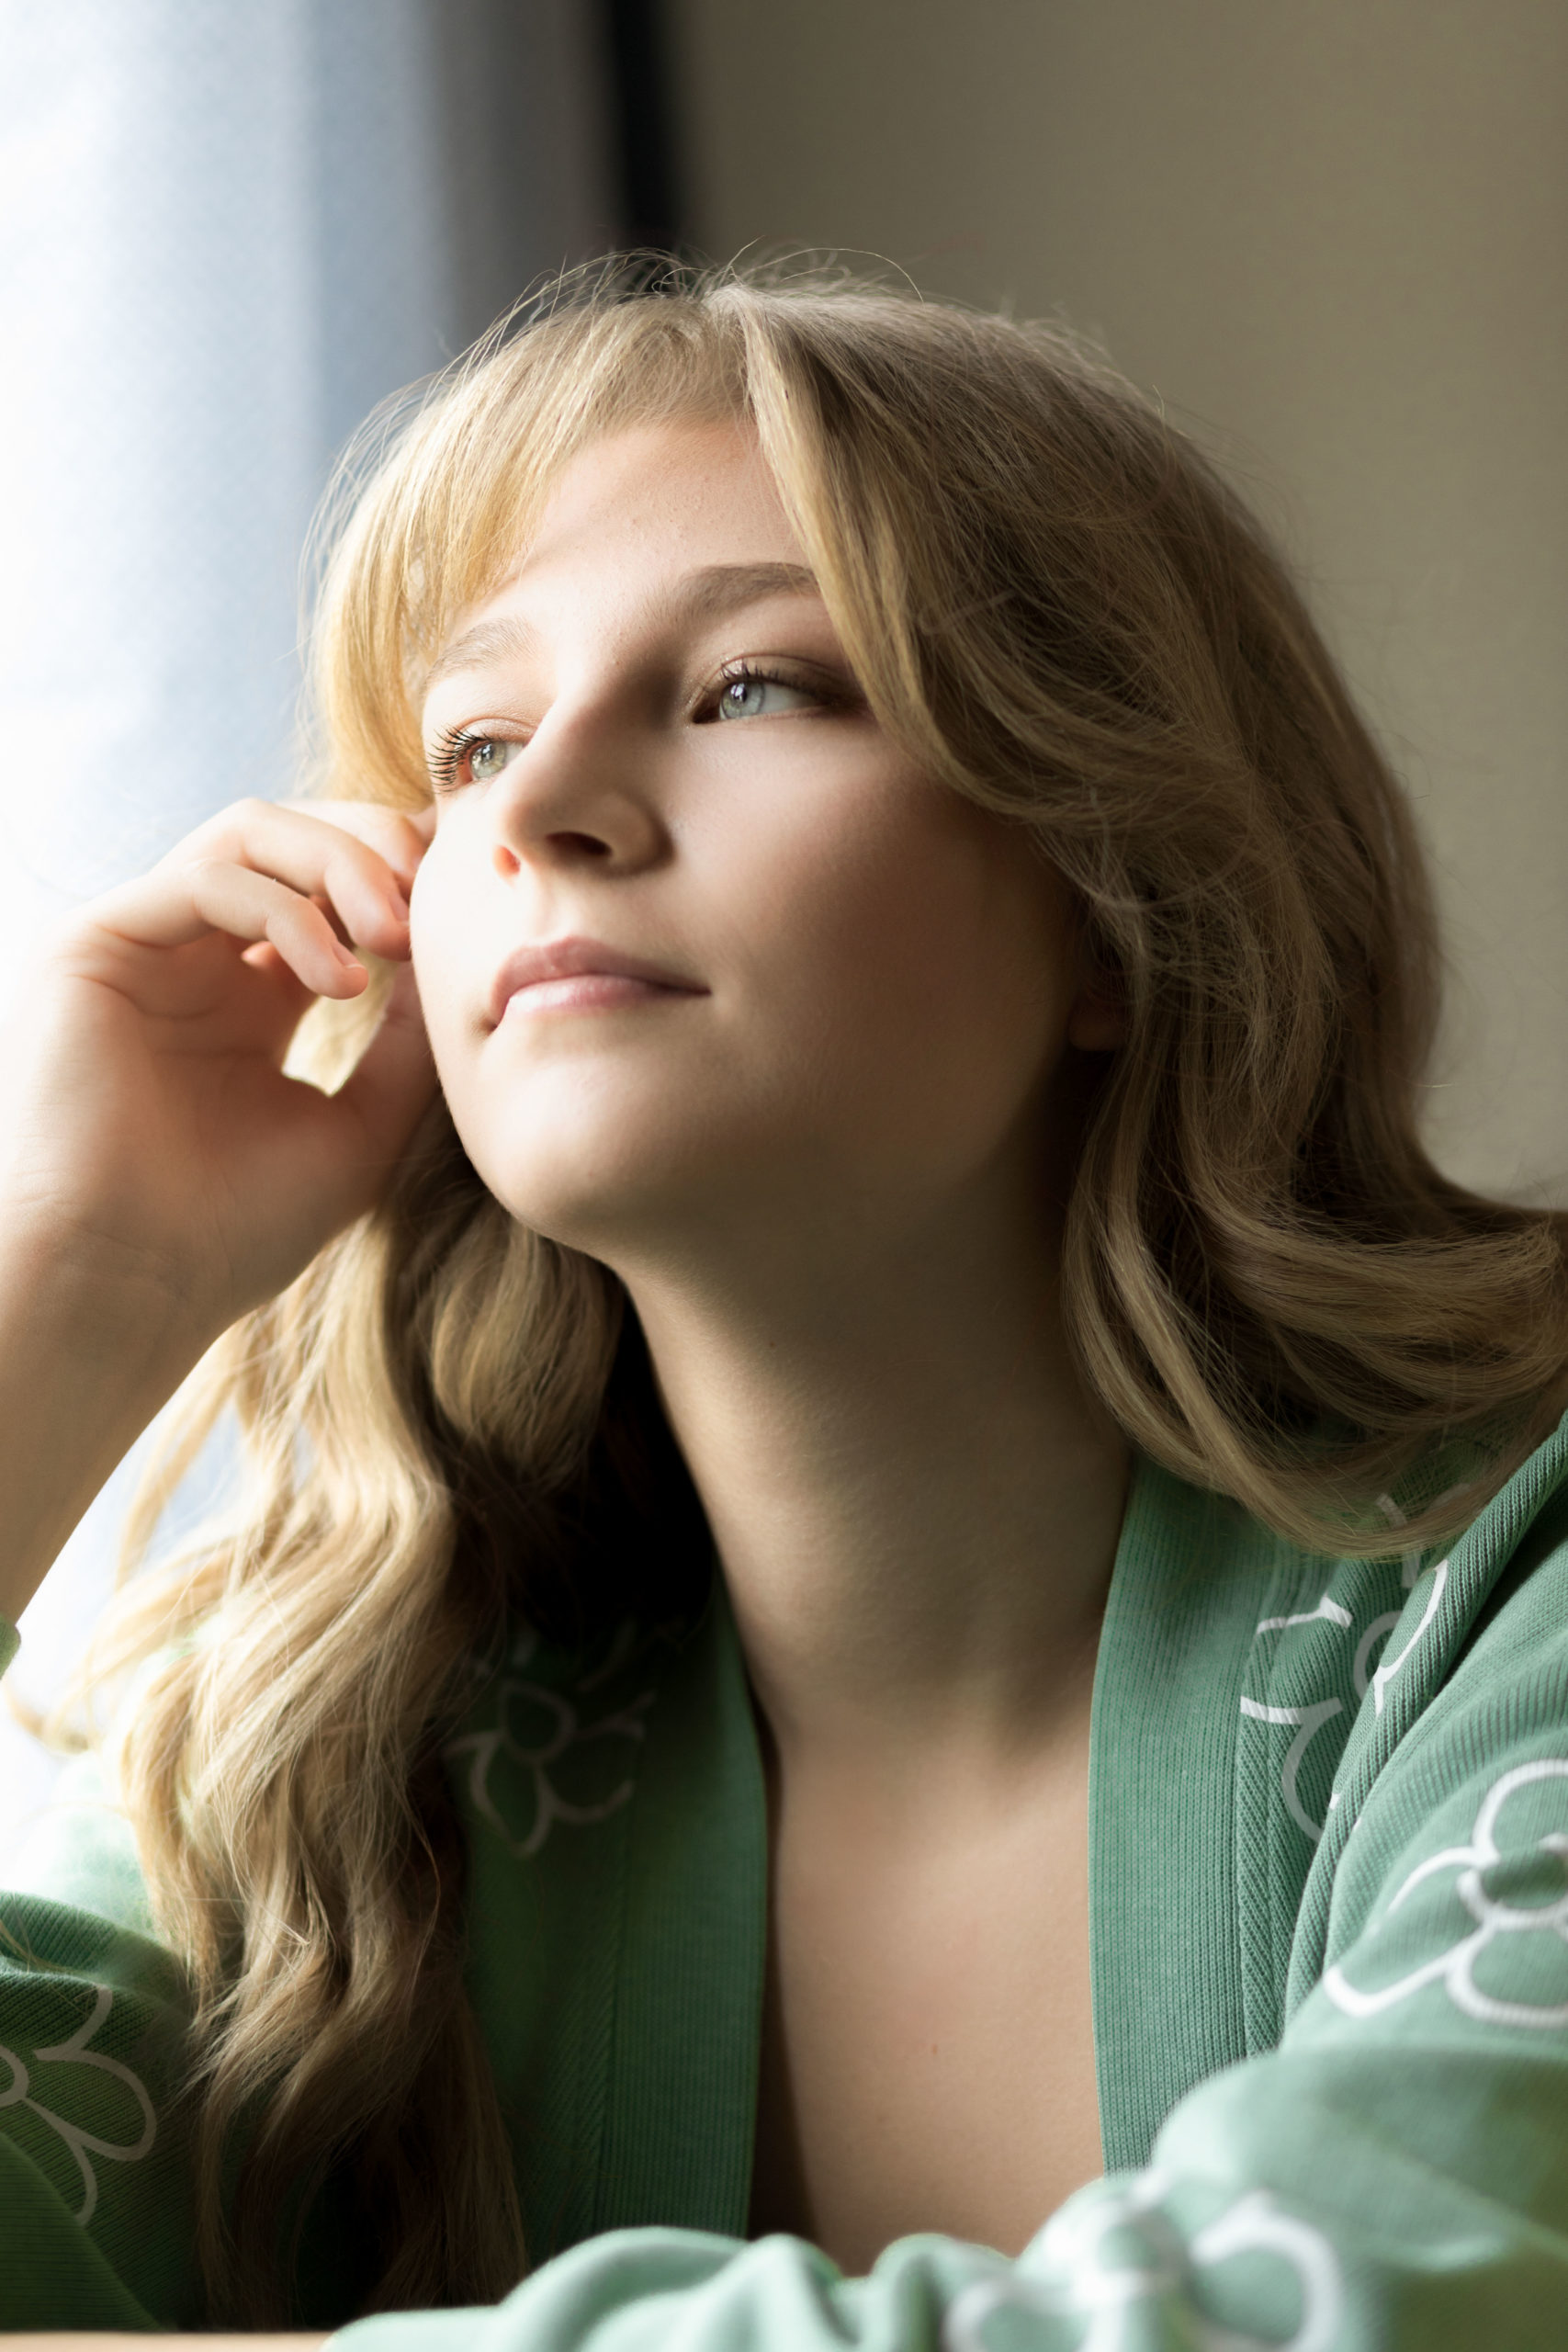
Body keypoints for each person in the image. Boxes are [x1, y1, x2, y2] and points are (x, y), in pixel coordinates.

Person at [2, 261, 1567, 2352]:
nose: (539, 804)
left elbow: (1353, 2304)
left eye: (753, 686)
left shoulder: (1511, 1582)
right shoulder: (326, 1764)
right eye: (468, 740)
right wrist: (77, 1285)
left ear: (1121, 893)